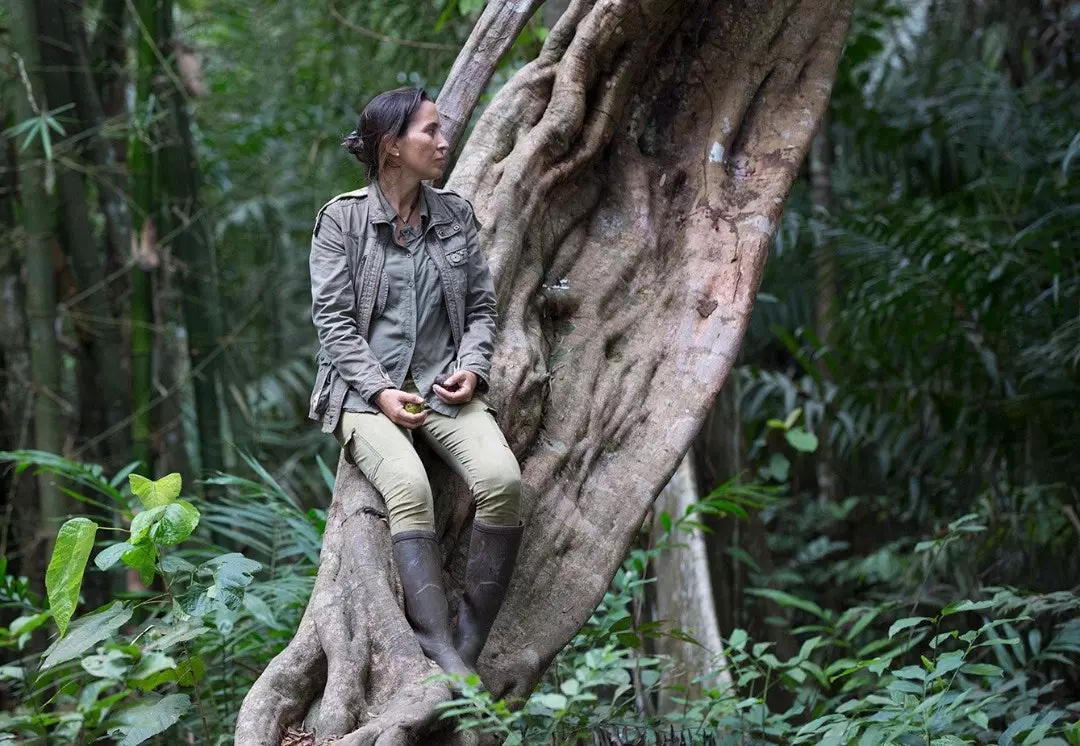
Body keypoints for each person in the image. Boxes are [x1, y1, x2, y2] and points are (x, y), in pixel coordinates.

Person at [307, 87, 523, 679]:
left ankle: (470, 641)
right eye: (429, 131)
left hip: (441, 388)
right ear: (390, 148)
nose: (444, 141)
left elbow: (482, 309)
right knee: (408, 484)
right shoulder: (342, 220)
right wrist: (378, 390)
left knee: (502, 480)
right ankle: (436, 645)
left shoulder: (455, 215)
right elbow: (334, 324)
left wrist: (474, 368)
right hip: (362, 394)